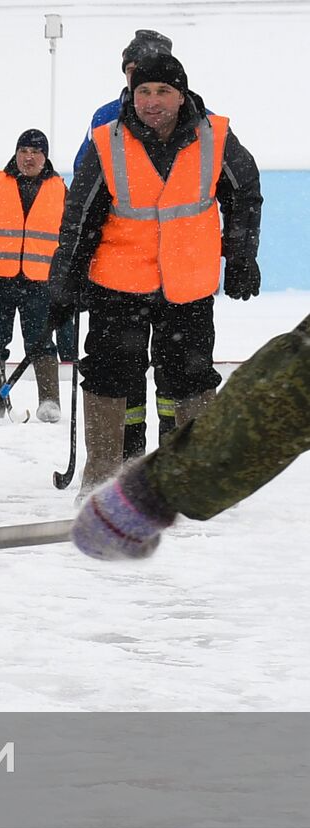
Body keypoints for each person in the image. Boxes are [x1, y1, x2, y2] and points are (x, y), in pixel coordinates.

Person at [48, 53, 262, 497]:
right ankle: (105, 473)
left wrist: (242, 257)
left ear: (181, 95)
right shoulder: (106, 141)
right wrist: (66, 280)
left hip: (188, 286)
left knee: (191, 378)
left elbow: (245, 196)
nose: (152, 101)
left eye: (163, 91)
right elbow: (79, 216)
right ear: (131, 93)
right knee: (108, 377)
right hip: (118, 284)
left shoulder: (215, 136)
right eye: (144, 91)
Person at [71, 313, 308, 560]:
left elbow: (279, 401)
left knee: (188, 373)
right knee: (113, 370)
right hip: (119, 288)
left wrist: (153, 492)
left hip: (185, 291)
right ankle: (101, 474)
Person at [74, 29, 178, 462]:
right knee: (121, 369)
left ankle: (175, 456)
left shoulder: (196, 117)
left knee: (179, 371)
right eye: (136, 69)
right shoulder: (105, 117)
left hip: (177, 270)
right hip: (118, 268)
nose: (143, 80)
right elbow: (84, 186)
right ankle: (127, 452)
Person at [0, 129, 68, 423]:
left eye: (35, 152)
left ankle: (49, 400)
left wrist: (68, 272)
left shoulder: (59, 188)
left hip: (39, 280)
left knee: (42, 340)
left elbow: (70, 235)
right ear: (16, 153)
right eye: (23, 151)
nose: (28, 157)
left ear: (45, 156)